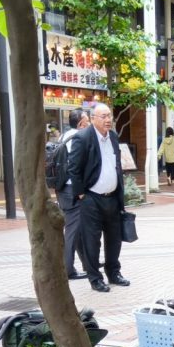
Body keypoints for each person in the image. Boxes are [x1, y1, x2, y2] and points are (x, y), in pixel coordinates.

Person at [67, 102, 130, 293]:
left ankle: (114, 272)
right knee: (92, 240)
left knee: (114, 238)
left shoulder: (113, 136)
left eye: (109, 115)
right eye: (103, 116)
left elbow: (116, 164)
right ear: (93, 118)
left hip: (112, 197)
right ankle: (95, 278)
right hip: (91, 198)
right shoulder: (82, 138)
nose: (108, 120)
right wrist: (81, 194)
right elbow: (74, 169)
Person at [55, 109, 91, 280]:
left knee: (77, 229)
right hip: (73, 190)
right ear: (81, 123)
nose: (89, 123)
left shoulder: (63, 136)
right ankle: (68, 269)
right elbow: (78, 167)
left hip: (61, 189)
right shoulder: (78, 138)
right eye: (87, 120)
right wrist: (81, 192)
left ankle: (88, 264)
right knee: (72, 231)